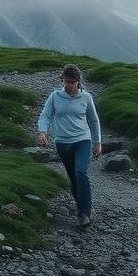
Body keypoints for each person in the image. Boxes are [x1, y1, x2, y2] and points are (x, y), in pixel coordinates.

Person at [36, 63, 102, 228]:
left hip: (82, 140)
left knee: (81, 173)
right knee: (73, 178)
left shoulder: (86, 98)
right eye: (66, 81)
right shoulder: (55, 96)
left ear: (78, 82)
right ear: (62, 80)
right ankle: (82, 207)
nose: (69, 85)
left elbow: (94, 121)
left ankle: (84, 213)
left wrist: (97, 143)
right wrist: (43, 131)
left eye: (72, 82)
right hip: (62, 143)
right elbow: (45, 115)